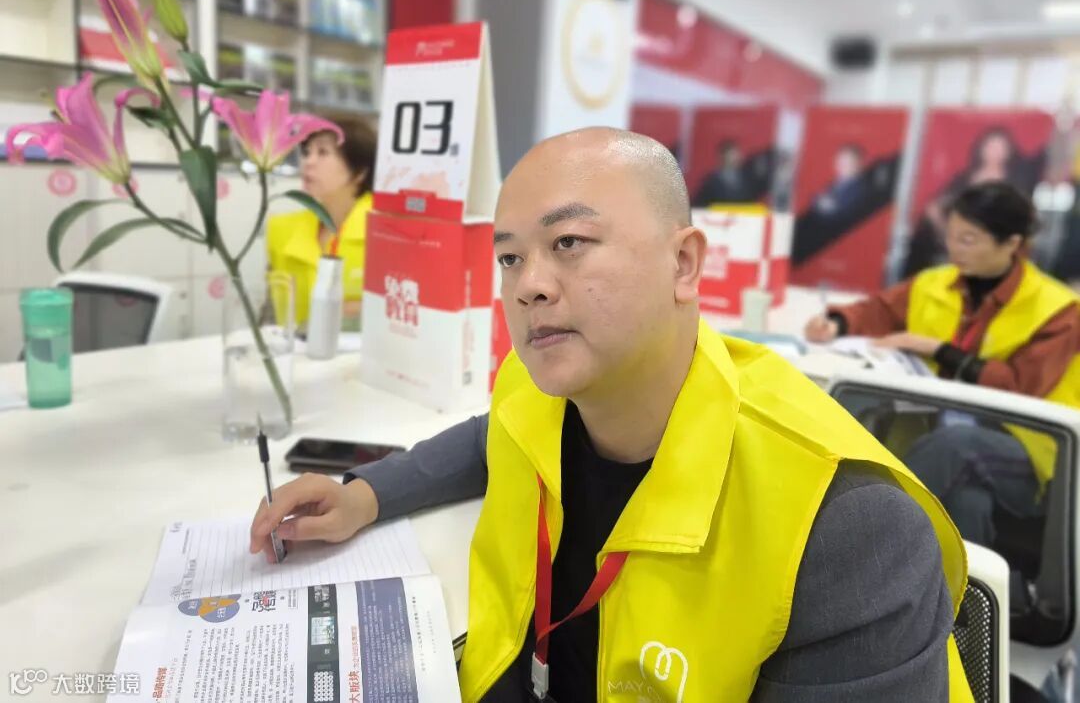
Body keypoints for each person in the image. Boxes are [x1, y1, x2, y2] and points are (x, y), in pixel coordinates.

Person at [252, 128, 973, 701]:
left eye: (568, 243)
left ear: (684, 264)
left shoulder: (845, 527)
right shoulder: (540, 388)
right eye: (510, 259)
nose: (529, 286)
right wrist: (363, 496)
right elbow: (492, 437)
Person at [806, 181, 1080, 547]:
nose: (954, 249)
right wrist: (837, 323)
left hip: (1033, 453)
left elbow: (1018, 385)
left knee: (954, 446)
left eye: (968, 240)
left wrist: (937, 349)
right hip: (945, 433)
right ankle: (964, 581)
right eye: (950, 236)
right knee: (968, 501)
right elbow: (878, 310)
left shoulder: (1058, 310)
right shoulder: (934, 284)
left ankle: (861, 542)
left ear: (1012, 244)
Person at [266, 117, 376, 327]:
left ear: (359, 171)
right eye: (307, 152)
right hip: (296, 346)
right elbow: (270, 313)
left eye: (323, 152)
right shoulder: (282, 229)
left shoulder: (389, 232)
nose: (308, 162)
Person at [902, 126, 1046, 277]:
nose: (994, 152)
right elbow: (940, 203)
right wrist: (944, 229)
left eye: (999, 147)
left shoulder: (1014, 180)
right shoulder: (967, 176)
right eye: (991, 146)